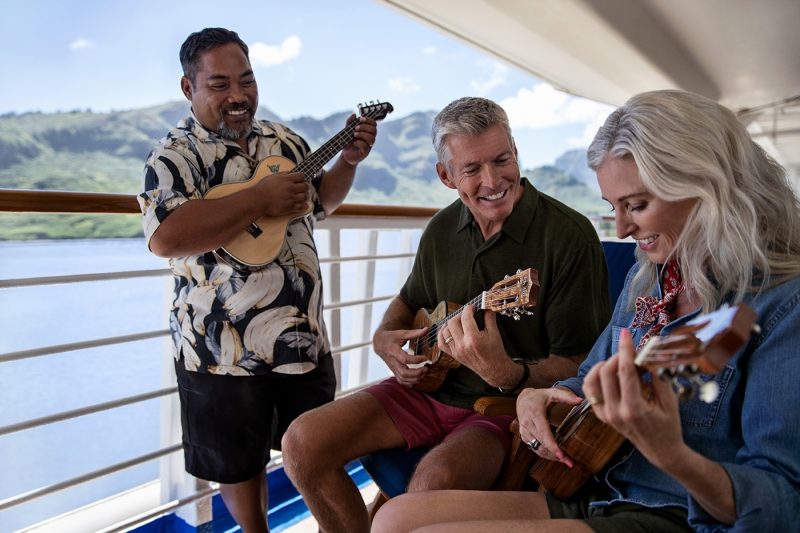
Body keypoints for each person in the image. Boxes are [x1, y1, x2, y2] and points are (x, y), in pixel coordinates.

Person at [370, 89, 800, 533]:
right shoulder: (651, 277)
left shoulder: (783, 307)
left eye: (636, 205)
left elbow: (783, 507)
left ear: (708, 188)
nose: (622, 228)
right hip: (595, 488)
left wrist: (672, 454)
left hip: (676, 512)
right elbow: (586, 375)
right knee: (392, 520)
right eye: (613, 208)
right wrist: (534, 395)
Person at [281, 96, 611, 533]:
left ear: (516, 151)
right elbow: (408, 300)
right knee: (302, 443)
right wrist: (384, 340)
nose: (493, 180)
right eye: (472, 169)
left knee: (430, 490)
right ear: (446, 176)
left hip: (499, 408)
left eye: (502, 159)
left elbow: (581, 366)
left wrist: (508, 372)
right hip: (427, 390)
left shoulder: (569, 237)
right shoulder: (441, 230)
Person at [137, 27, 377, 533]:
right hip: (221, 349)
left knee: (315, 449)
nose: (238, 95)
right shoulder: (174, 157)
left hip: (301, 336)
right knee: (238, 463)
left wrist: (349, 161)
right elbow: (165, 237)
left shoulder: (285, 141)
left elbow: (321, 204)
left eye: (246, 80)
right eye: (220, 84)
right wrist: (258, 200)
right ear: (189, 88)